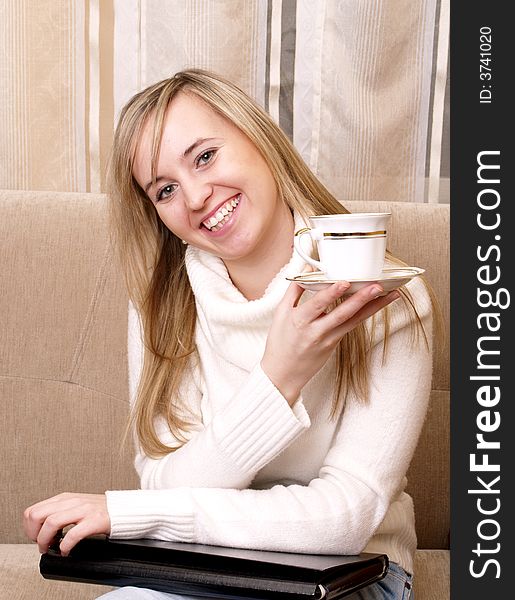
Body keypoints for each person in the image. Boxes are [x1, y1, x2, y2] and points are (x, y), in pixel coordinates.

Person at [23, 69, 436, 599]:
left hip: (353, 575)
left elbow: (345, 518)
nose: (194, 196)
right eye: (165, 189)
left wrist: (129, 513)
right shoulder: (162, 306)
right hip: (204, 566)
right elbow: (168, 482)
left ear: (257, 137)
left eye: (204, 156)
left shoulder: (385, 297)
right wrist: (276, 380)